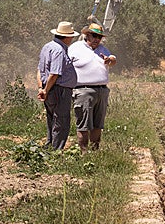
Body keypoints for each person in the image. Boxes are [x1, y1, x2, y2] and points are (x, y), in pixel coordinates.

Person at [68, 23, 117, 152]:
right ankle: (84, 153)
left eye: (99, 37)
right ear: (87, 35)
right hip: (83, 91)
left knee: (97, 125)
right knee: (83, 125)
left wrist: (110, 60)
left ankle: (95, 151)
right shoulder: (75, 48)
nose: (97, 39)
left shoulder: (102, 49)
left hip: (102, 91)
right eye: (94, 36)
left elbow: (112, 59)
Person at [37, 21, 78, 150]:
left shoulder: (47, 47)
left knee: (51, 118)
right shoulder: (59, 50)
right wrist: (46, 89)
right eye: (71, 36)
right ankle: (56, 150)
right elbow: (54, 74)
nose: (72, 38)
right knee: (61, 120)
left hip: (49, 88)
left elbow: (39, 70)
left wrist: (41, 88)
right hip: (59, 89)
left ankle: (49, 146)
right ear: (67, 37)